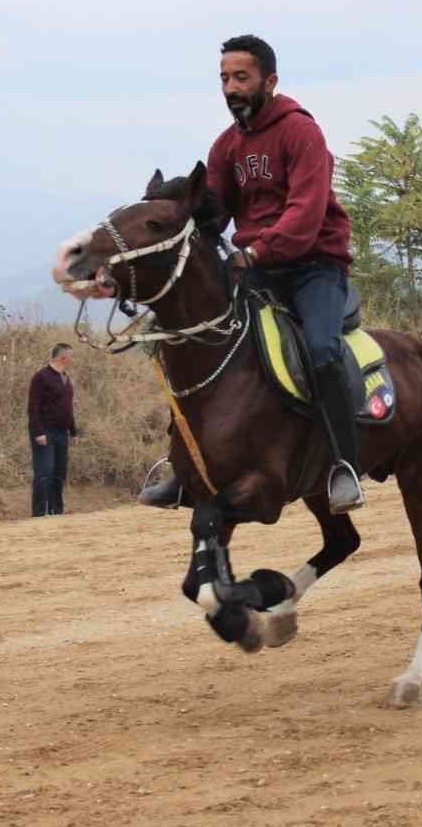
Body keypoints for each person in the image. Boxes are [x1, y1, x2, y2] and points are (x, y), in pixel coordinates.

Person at [140, 33, 364, 513]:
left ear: (270, 80)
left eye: (241, 77)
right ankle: (183, 467)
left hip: (312, 267)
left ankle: (344, 466)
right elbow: (215, 215)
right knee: (189, 344)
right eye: (224, 78)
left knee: (323, 352)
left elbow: (305, 215)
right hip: (254, 267)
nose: (231, 87)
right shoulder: (225, 146)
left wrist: (257, 251)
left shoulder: (302, 132)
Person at [28, 343, 78, 516]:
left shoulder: (65, 378)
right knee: (44, 472)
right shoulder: (41, 377)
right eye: (70, 356)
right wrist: (38, 433)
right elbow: (33, 408)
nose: (71, 360)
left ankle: (56, 511)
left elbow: (67, 407)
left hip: (61, 432)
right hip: (45, 431)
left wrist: (73, 431)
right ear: (63, 357)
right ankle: (39, 513)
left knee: (59, 473)